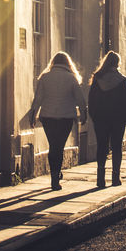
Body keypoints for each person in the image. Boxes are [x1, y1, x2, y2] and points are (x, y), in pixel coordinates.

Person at [29, 51, 87, 190]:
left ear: (53, 63)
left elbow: (38, 99)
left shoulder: (45, 77)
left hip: (48, 117)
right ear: (68, 63)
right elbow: (80, 98)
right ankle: (56, 176)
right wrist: (84, 114)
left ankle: (55, 175)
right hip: (65, 117)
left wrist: (33, 115)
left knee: (53, 145)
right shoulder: (71, 78)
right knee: (59, 147)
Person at [88, 51, 126, 188]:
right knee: (116, 147)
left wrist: (94, 116)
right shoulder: (122, 81)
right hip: (117, 119)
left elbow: (92, 100)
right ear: (117, 64)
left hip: (101, 118)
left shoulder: (97, 79)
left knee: (101, 147)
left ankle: (100, 178)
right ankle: (115, 177)